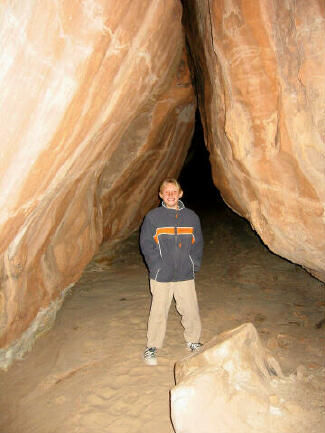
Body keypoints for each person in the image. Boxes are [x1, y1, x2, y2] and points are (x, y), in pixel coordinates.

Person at [140, 178, 203, 365]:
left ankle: (193, 341)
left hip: (185, 273)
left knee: (190, 309)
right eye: (166, 192)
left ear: (180, 193)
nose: (170, 195)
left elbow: (197, 243)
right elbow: (146, 244)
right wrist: (156, 266)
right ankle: (152, 347)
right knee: (158, 311)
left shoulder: (191, 217)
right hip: (162, 275)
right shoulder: (153, 217)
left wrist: (193, 263)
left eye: (174, 191)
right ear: (161, 195)